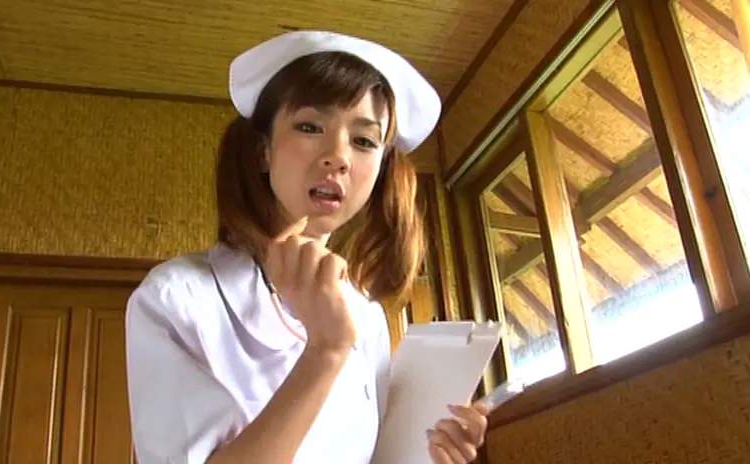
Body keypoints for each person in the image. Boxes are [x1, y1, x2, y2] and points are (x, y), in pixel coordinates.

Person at [125, 30, 490, 464]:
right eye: (310, 127)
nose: (339, 156)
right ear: (262, 151)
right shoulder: (176, 298)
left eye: (364, 141)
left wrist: (429, 451)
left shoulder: (365, 316)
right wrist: (326, 351)